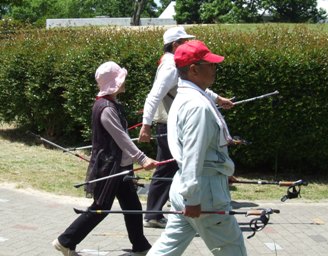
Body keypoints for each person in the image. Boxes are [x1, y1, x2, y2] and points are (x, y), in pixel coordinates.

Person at [146, 40, 247, 256]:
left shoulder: (185, 97)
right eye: (210, 64)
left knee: (167, 248)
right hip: (203, 191)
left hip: (186, 185)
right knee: (233, 250)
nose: (214, 68)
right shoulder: (197, 106)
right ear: (193, 70)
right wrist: (193, 198)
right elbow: (193, 154)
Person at [52, 61, 158, 256]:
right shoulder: (106, 108)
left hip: (120, 165)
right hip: (110, 167)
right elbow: (122, 139)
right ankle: (65, 241)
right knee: (101, 207)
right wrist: (143, 159)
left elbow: (120, 135)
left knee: (132, 207)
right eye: (121, 79)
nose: (124, 82)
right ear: (114, 83)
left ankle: (141, 246)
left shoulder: (111, 104)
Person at [139, 26, 234, 228]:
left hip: (172, 122)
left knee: (170, 168)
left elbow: (193, 87)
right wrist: (146, 125)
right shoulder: (171, 66)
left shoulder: (174, 64)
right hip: (169, 124)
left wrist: (218, 99)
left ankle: (159, 211)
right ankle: (153, 214)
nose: (189, 43)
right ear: (175, 45)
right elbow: (154, 95)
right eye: (184, 41)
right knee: (166, 169)